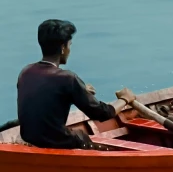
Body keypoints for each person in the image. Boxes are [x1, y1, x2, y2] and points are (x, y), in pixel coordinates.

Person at [16, 19, 118, 149]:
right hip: (58, 143)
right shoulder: (67, 78)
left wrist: (80, 91)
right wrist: (125, 99)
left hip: (30, 138)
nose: (69, 49)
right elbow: (101, 114)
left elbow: (50, 94)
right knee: (91, 141)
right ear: (63, 48)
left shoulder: (26, 72)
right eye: (69, 45)